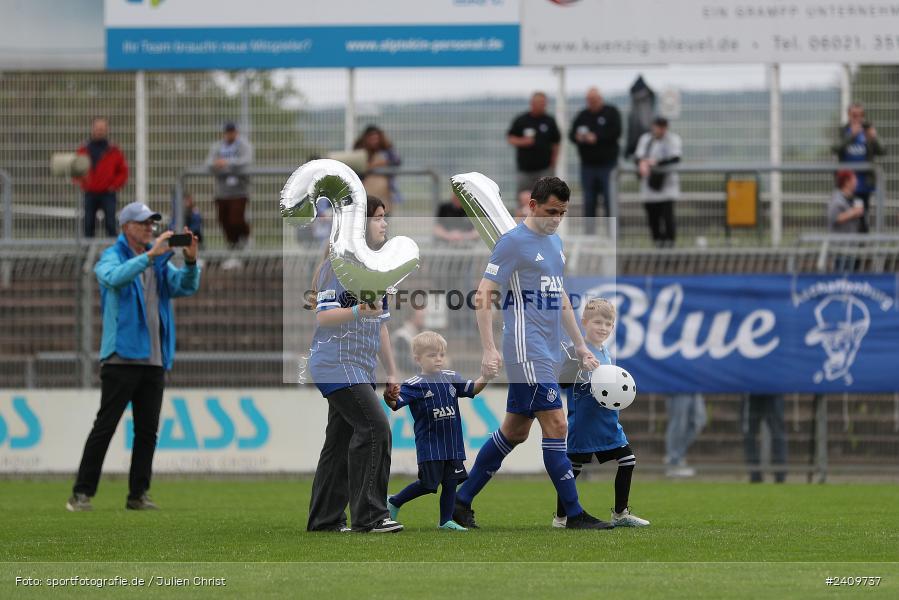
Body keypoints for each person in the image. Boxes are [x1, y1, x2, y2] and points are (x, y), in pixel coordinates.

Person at [453, 177, 613, 530]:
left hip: (549, 350)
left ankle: (460, 503)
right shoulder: (512, 243)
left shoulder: (555, 243)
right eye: (551, 211)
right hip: (526, 349)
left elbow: (561, 300)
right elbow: (484, 294)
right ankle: (574, 514)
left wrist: (581, 345)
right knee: (557, 424)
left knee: (515, 431)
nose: (556, 219)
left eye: (563, 213)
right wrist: (489, 348)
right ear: (533, 206)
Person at [66, 202, 201, 512]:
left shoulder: (159, 262)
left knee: (147, 431)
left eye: (151, 224)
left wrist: (191, 263)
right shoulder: (112, 256)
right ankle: (81, 492)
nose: (149, 229)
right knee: (106, 426)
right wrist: (150, 256)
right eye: (142, 224)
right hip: (121, 357)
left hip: (154, 358)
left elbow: (184, 287)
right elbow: (112, 277)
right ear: (126, 227)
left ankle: (137, 494)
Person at [306, 195, 403, 534]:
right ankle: (371, 516)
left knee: (339, 441)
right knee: (376, 428)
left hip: (358, 366)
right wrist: (359, 311)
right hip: (336, 363)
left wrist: (392, 372)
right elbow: (324, 317)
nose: (384, 223)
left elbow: (382, 324)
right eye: (377, 217)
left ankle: (325, 520)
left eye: (384, 217)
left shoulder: (377, 268)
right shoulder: (339, 264)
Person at [553, 299, 650, 528]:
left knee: (628, 460)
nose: (603, 327)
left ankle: (620, 513)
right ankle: (561, 517)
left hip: (608, 421)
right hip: (583, 423)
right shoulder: (577, 351)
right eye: (598, 322)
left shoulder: (606, 352)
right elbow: (562, 382)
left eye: (608, 323)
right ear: (584, 323)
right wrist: (579, 365)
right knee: (572, 470)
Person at [384, 331, 494, 531]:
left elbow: (473, 389)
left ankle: (445, 521)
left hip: (452, 443)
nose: (438, 359)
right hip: (430, 445)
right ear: (418, 359)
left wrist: (486, 376)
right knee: (427, 484)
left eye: (441, 355)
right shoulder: (413, 385)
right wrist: (388, 396)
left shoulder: (452, 378)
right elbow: (394, 404)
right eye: (432, 355)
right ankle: (395, 501)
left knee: (451, 483)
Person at [570, 87, 622, 233]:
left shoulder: (611, 113)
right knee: (589, 201)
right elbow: (571, 134)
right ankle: (589, 234)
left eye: (594, 100)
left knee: (609, 200)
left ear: (600, 99)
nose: (592, 103)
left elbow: (616, 132)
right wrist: (578, 137)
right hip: (588, 166)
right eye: (589, 101)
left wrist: (597, 138)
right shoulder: (582, 115)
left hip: (608, 166)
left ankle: (612, 234)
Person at [205, 122, 253, 269]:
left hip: (239, 190)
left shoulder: (244, 145)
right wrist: (217, 164)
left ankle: (245, 241)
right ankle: (233, 249)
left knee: (236, 219)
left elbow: (246, 161)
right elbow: (209, 162)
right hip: (222, 191)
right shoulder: (217, 146)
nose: (230, 135)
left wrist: (227, 162)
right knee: (223, 220)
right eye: (227, 132)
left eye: (232, 132)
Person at [832, 102, 886, 233]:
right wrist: (851, 136)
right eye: (854, 115)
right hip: (846, 186)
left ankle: (861, 249)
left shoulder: (867, 132)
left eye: (860, 115)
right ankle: (847, 248)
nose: (857, 118)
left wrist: (874, 138)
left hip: (863, 186)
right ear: (849, 115)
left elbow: (882, 151)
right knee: (845, 217)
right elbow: (835, 148)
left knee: (861, 217)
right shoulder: (844, 131)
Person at [75, 117, 129, 238]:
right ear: (92, 129)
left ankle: (115, 252)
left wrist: (114, 185)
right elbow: (75, 169)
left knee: (111, 224)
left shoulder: (114, 150)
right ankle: (87, 253)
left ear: (107, 130)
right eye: (97, 128)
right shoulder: (83, 150)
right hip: (90, 192)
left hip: (108, 193)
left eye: (102, 129)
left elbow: (123, 171)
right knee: (88, 224)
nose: (99, 131)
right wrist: (83, 184)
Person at [635, 117, 682, 248]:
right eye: (658, 126)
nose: (660, 130)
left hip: (667, 187)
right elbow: (638, 157)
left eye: (663, 127)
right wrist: (643, 164)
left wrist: (657, 163)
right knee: (653, 220)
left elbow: (676, 158)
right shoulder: (645, 139)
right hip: (649, 187)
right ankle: (658, 248)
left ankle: (669, 248)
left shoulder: (673, 139)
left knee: (668, 219)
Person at [507, 92, 561, 195]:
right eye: (540, 103)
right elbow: (510, 138)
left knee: (545, 198)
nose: (542, 106)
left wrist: (553, 162)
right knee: (524, 198)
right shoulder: (522, 120)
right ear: (532, 103)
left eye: (544, 103)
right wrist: (523, 141)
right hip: (525, 170)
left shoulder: (549, 121)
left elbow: (556, 142)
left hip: (545, 169)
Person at [742, 393, 787, 483]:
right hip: (751, 392)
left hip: (773, 390)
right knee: (749, 434)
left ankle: (780, 475)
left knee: (778, 433)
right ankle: (754, 474)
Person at [354, 125, 403, 207]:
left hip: (384, 191)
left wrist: (382, 163)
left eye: (376, 138)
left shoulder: (386, 151)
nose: (374, 141)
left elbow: (397, 160)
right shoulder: (360, 151)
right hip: (366, 188)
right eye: (372, 139)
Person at [828, 170, 866, 272]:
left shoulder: (851, 199)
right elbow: (834, 217)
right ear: (846, 182)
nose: (856, 182)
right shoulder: (837, 199)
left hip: (850, 246)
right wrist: (853, 212)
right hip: (841, 248)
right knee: (842, 275)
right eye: (854, 179)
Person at [664, 393, 706, 478]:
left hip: (695, 387)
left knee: (699, 421)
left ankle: (676, 457)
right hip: (678, 387)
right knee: (678, 423)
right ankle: (674, 462)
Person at [391, 307, 426, 377]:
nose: (424, 321)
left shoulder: (420, 334)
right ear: (412, 318)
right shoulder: (401, 336)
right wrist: (428, 366)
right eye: (421, 317)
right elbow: (403, 364)